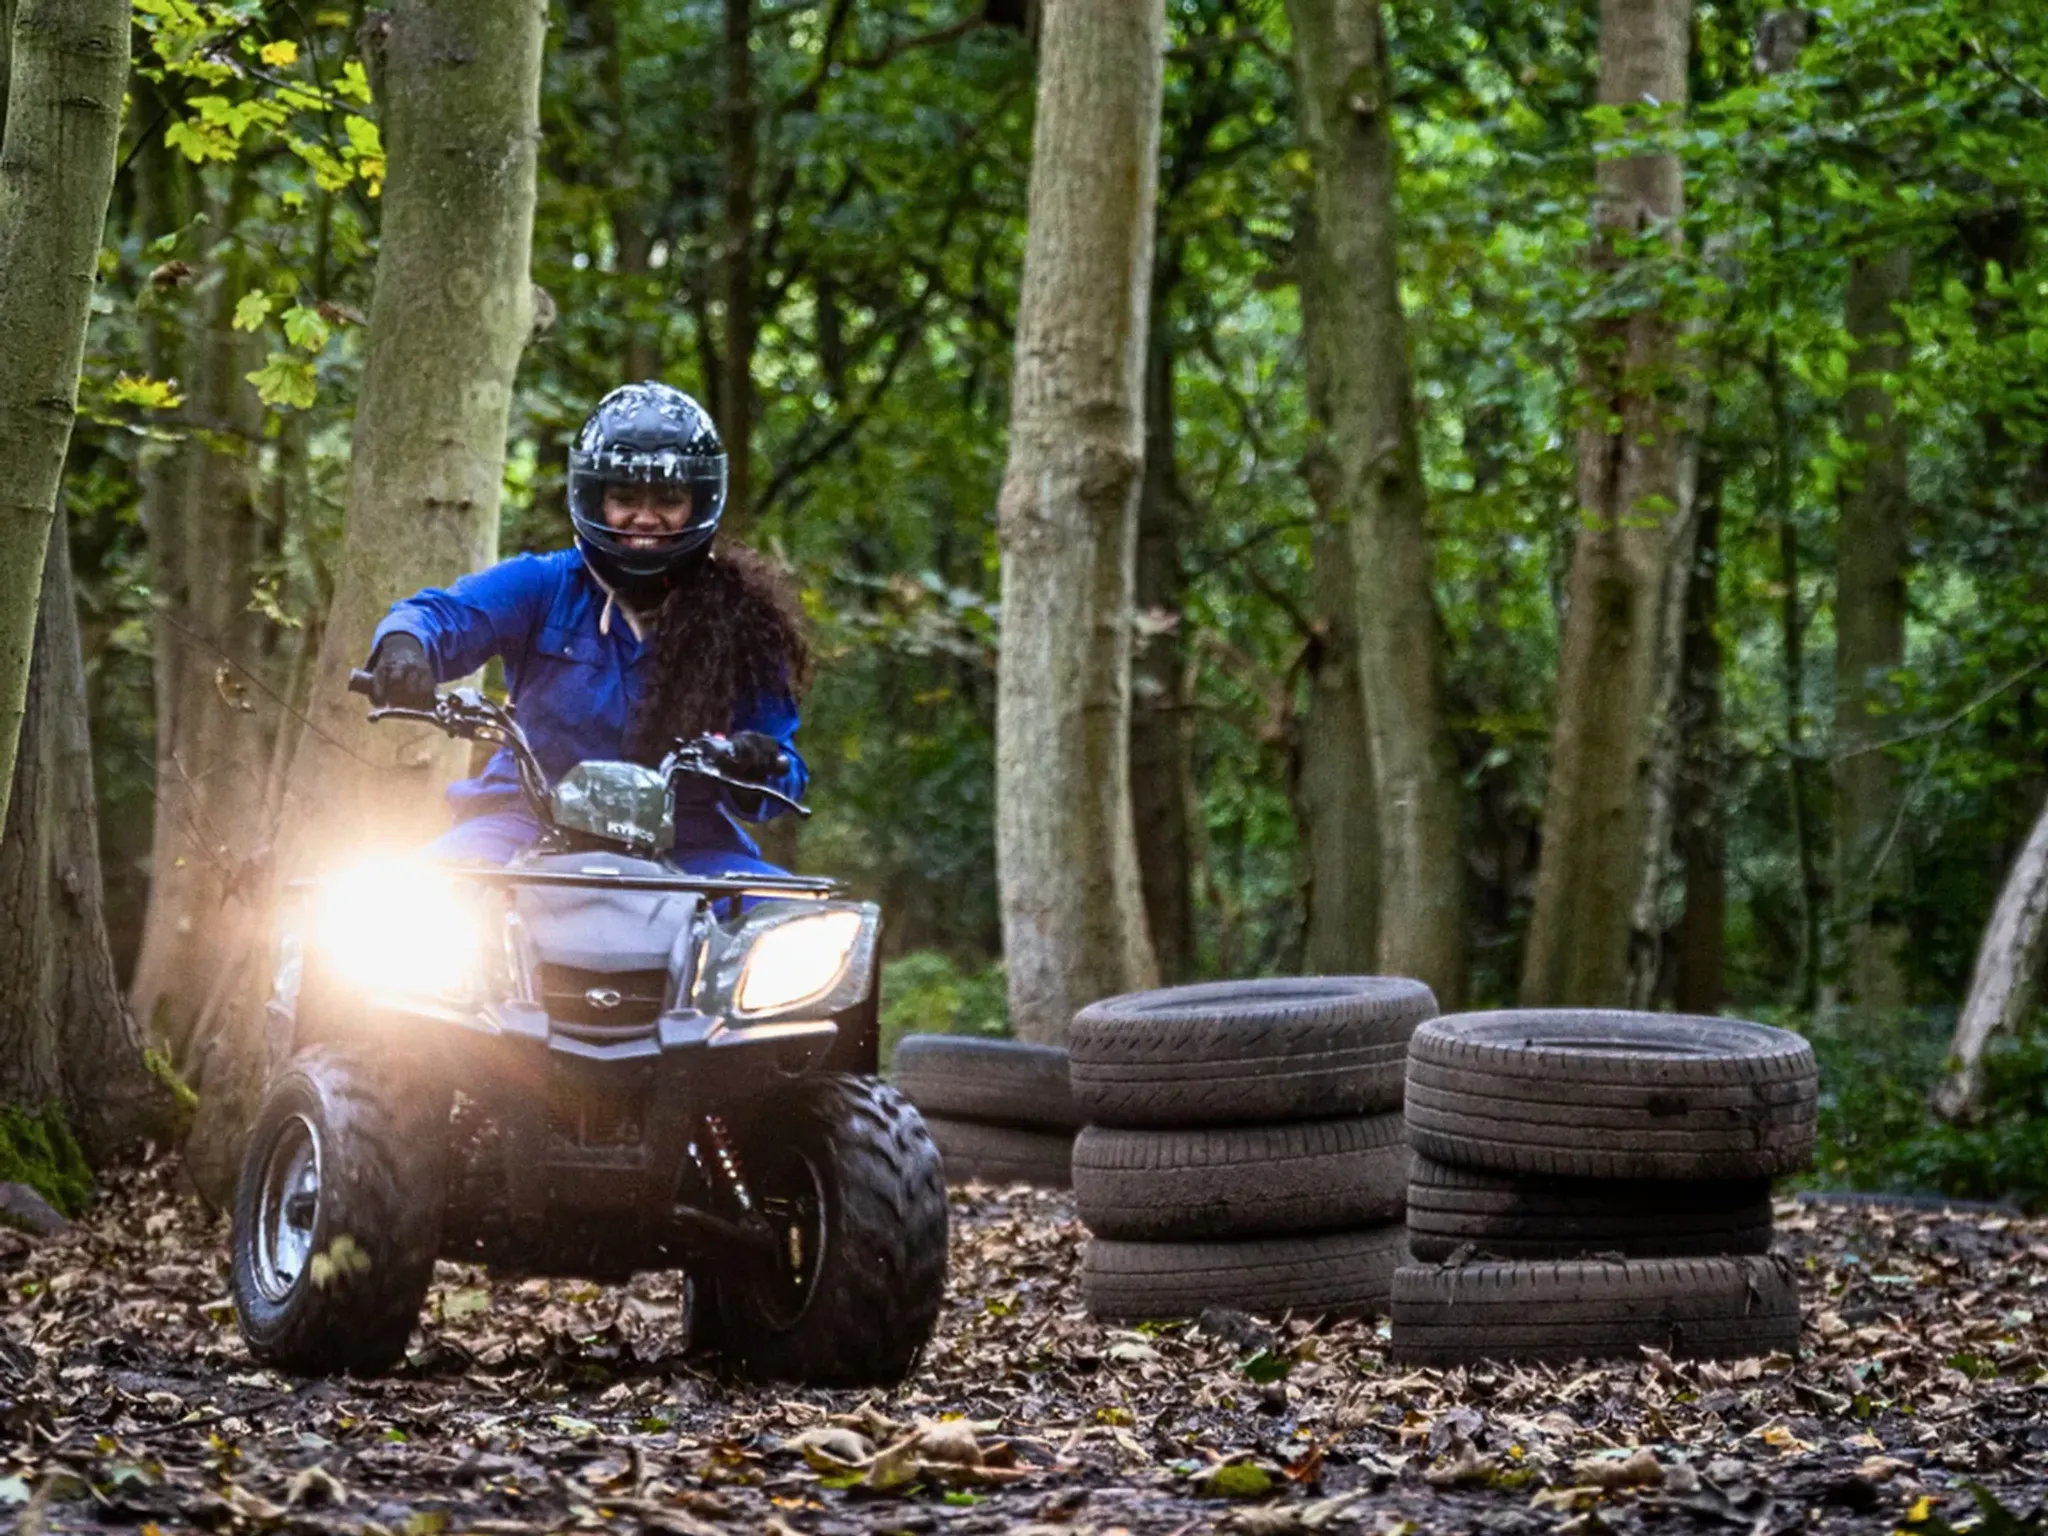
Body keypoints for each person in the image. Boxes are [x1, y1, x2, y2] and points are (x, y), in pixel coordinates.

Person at [362, 381, 811, 879]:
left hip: (689, 841)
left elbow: (782, 773)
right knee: (405, 901)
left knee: (804, 930)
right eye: (624, 497)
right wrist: (404, 647)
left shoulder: (741, 618)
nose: (645, 516)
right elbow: (439, 616)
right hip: (525, 819)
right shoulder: (543, 584)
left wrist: (757, 765)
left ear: (699, 501)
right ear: (596, 499)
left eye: (668, 498)